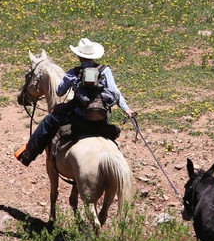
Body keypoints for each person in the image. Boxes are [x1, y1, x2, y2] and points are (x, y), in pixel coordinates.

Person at [14, 37, 134, 166]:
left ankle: (27, 156)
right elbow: (115, 91)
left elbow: (60, 92)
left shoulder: (73, 73)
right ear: (94, 55)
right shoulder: (105, 70)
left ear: (79, 56)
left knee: (48, 122)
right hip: (100, 117)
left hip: (78, 116)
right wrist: (127, 109)